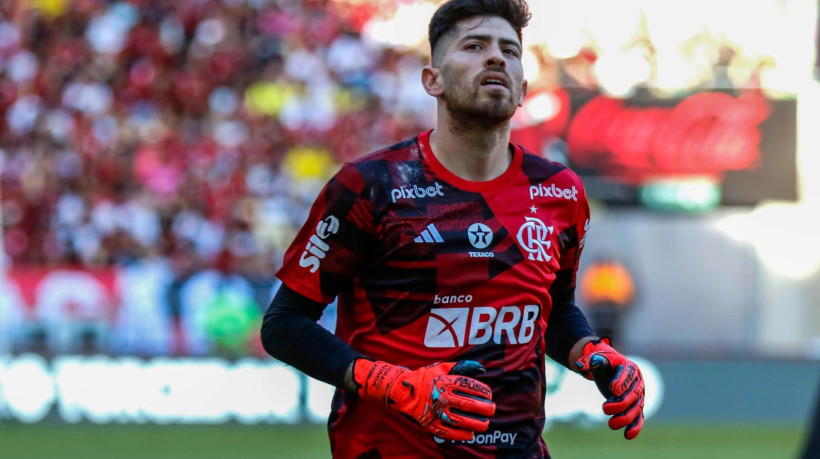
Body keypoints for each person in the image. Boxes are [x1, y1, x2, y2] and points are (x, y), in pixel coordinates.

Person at [260, 1, 645, 457]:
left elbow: (554, 312)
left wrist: (593, 353)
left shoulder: (560, 193)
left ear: (523, 87)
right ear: (433, 80)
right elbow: (284, 324)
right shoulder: (371, 186)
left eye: (509, 49)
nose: (496, 57)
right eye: (474, 46)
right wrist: (390, 382)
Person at [579, 256, 636, 343]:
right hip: (597, 307)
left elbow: (626, 290)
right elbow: (587, 290)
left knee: (615, 332)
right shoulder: (594, 272)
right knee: (598, 331)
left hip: (614, 307)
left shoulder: (617, 272)